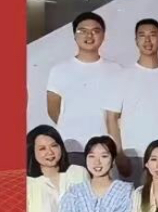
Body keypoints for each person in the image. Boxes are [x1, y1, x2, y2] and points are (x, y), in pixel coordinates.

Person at [104, 18, 158, 184]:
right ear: (136, 41)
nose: (147, 40)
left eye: (152, 35)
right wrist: (119, 154)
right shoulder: (122, 76)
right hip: (133, 155)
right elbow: (111, 118)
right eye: (142, 35)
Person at [46, 12, 122, 158]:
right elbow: (53, 110)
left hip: (104, 147)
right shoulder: (59, 70)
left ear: (103, 36)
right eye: (83, 31)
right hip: (70, 146)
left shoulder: (116, 70)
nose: (89, 36)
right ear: (74, 35)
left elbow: (119, 112)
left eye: (95, 31)